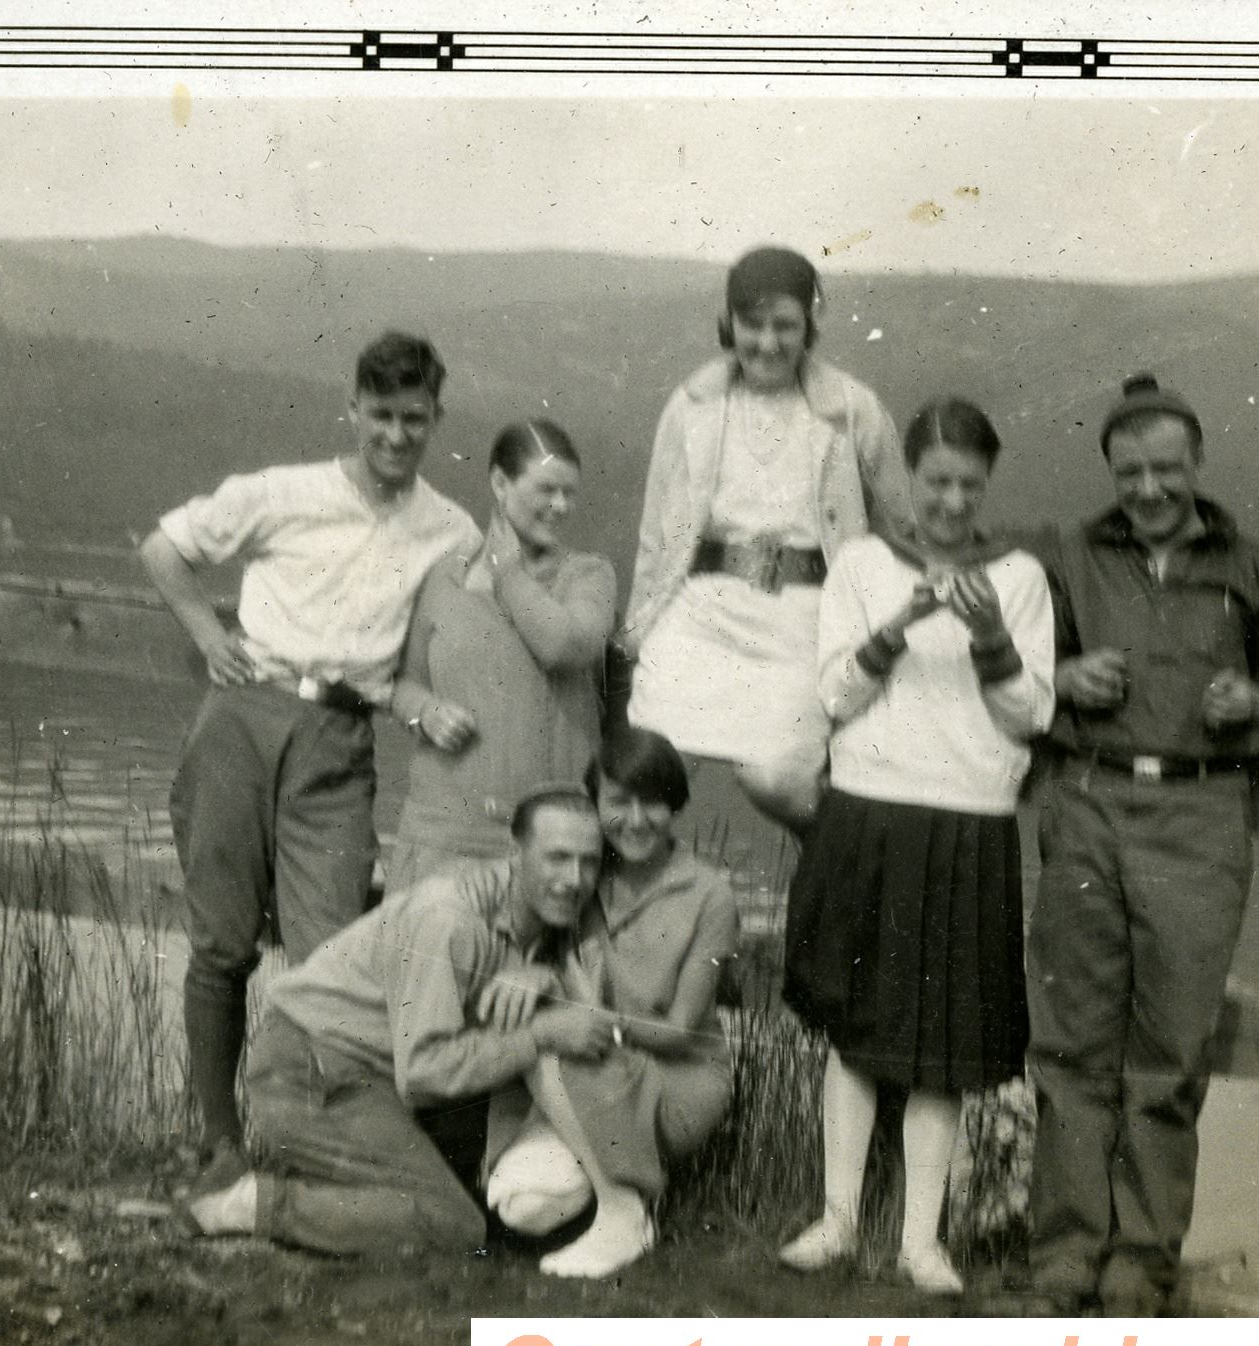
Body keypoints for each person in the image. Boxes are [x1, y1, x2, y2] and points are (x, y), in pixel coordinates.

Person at [139, 332, 479, 1191]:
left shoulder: (450, 529)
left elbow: (423, 661)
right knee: (220, 942)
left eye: (414, 420)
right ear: (353, 408)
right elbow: (165, 548)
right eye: (381, 416)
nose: (396, 437)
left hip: (339, 739)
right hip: (242, 720)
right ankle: (220, 1144)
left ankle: (316, 1148)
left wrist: (428, 705)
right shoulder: (285, 491)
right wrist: (210, 635)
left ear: (436, 418)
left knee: (331, 956)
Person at [1023, 372, 1259, 1316]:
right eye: (1130, 470)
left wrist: (1253, 704)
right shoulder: (1070, 556)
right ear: (1111, 467)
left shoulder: (1255, 569)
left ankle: (1140, 1259)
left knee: (1170, 1051)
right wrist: (1065, 674)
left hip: (1201, 817)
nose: (1148, 489)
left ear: (1197, 464)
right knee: (1071, 1044)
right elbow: (1028, 677)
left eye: (1167, 470)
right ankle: (1065, 1251)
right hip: (1089, 803)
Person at [777, 398, 1055, 1296]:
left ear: (988, 485)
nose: (949, 502)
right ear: (910, 478)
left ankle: (920, 1240)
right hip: (870, 809)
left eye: (969, 484)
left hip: (969, 815)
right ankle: (837, 1220)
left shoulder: (1016, 577)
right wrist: (896, 628)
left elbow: (1030, 714)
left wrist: (988, 637)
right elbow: (835, 697)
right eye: (935, 481)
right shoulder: (861, 565)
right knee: (858, 1028)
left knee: (944, 1045)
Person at [177, 787, 621, 1255]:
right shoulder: (450, 919)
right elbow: (426, 1071)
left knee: (463, 1196)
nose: (574, 879)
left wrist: (545, 976)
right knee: (453, 1224)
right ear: (515, 853)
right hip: (310, 1070)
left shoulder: (538, 914)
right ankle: (251, 1202)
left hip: (369, 1071)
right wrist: (540, 1034)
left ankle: (334, 1177)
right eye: (557, 858)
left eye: (589, 862)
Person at [618, 244, 912, 834]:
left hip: (804, 622)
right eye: (752, 325)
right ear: (730, 325)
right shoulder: (693, 404)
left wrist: (884, 629)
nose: (768, 344)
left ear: (810, 327)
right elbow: (660, 531)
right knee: (640, 774)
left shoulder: (852, 410)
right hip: (703, 611)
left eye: (786, 326)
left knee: (776, 778)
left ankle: (840, 871)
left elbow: (900, 530)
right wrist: (638, 627)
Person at [480, 725, 741, 1279]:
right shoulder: (585, 873)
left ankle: (623, 1213)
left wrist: (579, 1014)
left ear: (676, 804)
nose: (636, 819)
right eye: (617, 802)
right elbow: (534, 957)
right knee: (522, 1205)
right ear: (595, 804)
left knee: (548, 1037)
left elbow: (679, 1030)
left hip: (679, 1079)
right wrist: (532, 973)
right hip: (595, 1067)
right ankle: (618, 1186)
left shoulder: (708, 893)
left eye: (654, 802)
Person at [385, 419, 617, 893]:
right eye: (547, 490)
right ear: (499, 483)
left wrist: (506, 569)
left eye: (570, 494)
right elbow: (405, 684)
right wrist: (426, 712)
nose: (561, 506)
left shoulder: (588, 576)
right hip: (440, 836)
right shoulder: (444, 578)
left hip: (543, 846)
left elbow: (563, 647)